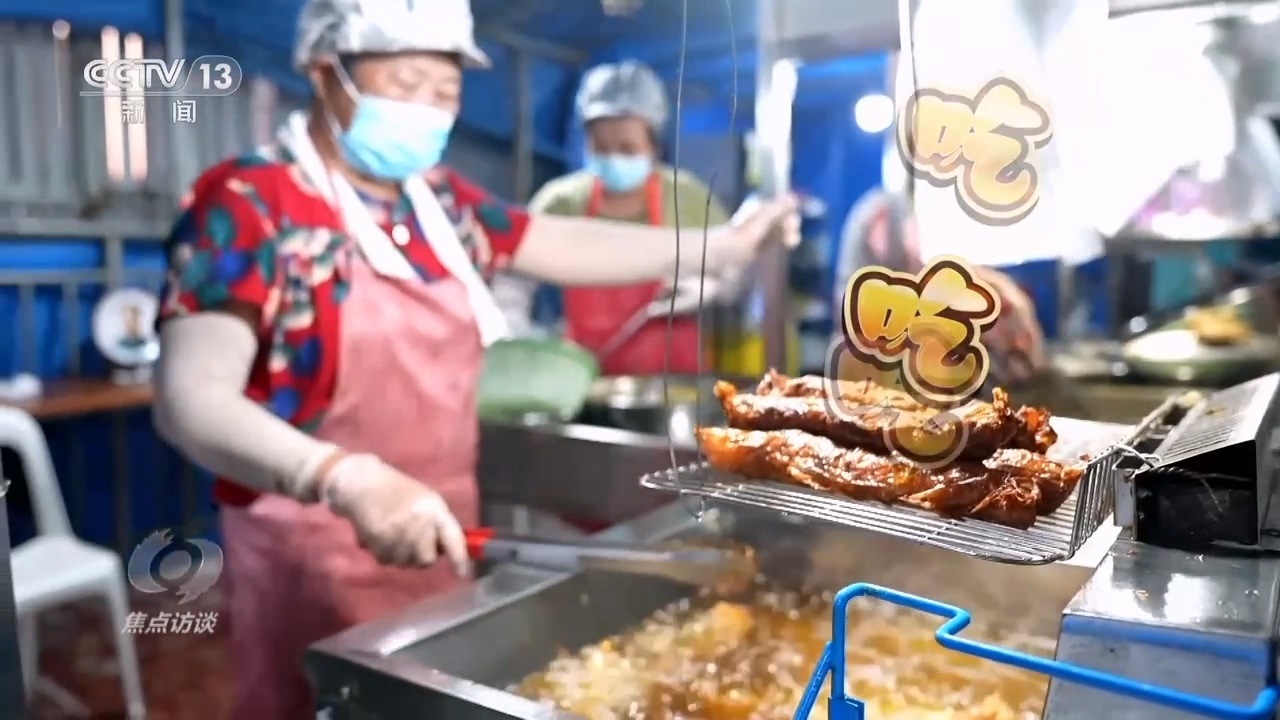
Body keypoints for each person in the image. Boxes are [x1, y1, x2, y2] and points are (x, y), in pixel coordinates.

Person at [148, 1, 795, 717]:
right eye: (406, 83)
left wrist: (721, 246)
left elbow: (556, 241)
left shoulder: (440, 205)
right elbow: (190, 398)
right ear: (326, 74)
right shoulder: (249, 204)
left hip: (441, 530)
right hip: (312, 540)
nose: (427, 107)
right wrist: (338, 476)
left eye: (446, 90)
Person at [493, 60, 732, 375]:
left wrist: (709, 286)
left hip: (672, 381)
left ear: (654, 145)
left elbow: (736, 268)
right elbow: (513, 278)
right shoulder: (562, 202)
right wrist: (514, 330)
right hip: (581, 374)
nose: (614, 157)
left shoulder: (687, 199)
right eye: (601, 147)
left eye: (627, 148)